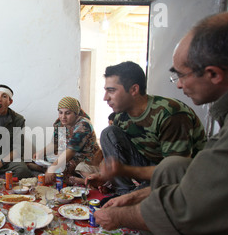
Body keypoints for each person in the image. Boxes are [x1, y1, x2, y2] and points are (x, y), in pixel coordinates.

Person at [94, 11, 228, 235]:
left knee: (167, 174)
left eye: (180, 75)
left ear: (213, 74)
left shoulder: (171, 115)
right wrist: (114, 180)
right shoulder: (120, 117)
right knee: (114, 138)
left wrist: (124, 213)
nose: (179, 84)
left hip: (183, 188)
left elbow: (183, 185)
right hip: (156, 176)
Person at [87, 61, 206, 196]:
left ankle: (128, 196)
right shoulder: (120, 116)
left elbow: (175, 173)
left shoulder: (170, 114)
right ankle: (123, 192)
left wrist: (127, 179)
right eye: (60, 112)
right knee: (109, 133)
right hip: (150, 165)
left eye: (111, 90)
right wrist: (105, 176)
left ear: (134, 90)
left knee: (119, 206)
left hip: (183, 178)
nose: (105, 98)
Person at [32, 96, 102, 185]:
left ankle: (83, 181)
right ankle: (49, 172)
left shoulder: (83, 125)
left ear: (76, 113)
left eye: (68, 113)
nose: (63, 117)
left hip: (84, 158)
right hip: (65, 155)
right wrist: (41, 152)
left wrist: (53, 168)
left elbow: (71, 151)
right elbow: (55, 144)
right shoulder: (60, 124)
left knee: (61, 168)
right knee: (40, 159)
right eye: (60, 113)